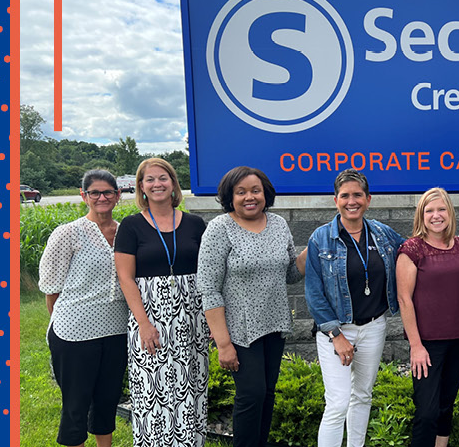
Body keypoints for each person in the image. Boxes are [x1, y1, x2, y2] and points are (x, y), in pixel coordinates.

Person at [196, 166, 304, 447]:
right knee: (251, 393)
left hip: (275, 324)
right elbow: (208, 288)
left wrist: (314, 249)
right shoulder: (220, 228)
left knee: (267, 393)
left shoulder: (279, 224)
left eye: (255, 190)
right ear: (229, 196)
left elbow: (290, 274)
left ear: (265, 193)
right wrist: (223, 344)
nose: (249, 197)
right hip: (240, 331)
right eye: (240, 192)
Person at [304, 170, 407, 447]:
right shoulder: (320, 239)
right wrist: (337, 336)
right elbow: (314, 294)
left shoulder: (383, 234)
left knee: (362, 395)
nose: (352, 201)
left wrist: (456, 242)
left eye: (357, 195)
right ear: (335, 200)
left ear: (368, 199)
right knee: (337, 403)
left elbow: (416, 248)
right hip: (335, 331)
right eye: (345, 195)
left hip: (373, 327)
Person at [115, 159, 209, 447]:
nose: (157, 184)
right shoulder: (131, 226)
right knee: (152, 389)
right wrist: (144, 324)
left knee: (191, 385)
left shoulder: (194, 224)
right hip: (151, 316)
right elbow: (125, 278)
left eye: (163, 178)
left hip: (191, 316)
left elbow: (208, 271)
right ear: (141, 187)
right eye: (150, 179)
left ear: (173, 183)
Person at [40, 169, 132, 447]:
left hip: (116, 331)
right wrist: (66, 321)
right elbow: (51, 289)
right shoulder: (68, 233)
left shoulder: (126, 232)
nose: (102, 197)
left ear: (118, 196)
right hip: (74, 334)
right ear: (84, 196)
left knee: (107, 398)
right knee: (76, 404)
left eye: (108, 192)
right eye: (95, 192)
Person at [396, 188, 459, 447]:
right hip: (427, 343)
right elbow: (404, 299)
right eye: (429, 210)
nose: (436, 215)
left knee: (445, 406)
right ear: (421, 215)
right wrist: (416, 346)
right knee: (427, 412)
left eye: (441, 209)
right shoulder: (411, 249)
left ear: (450, 213)